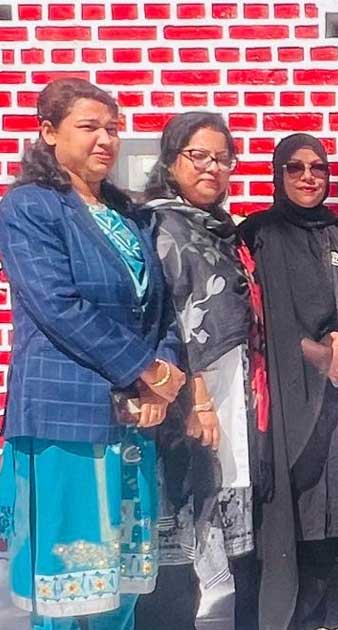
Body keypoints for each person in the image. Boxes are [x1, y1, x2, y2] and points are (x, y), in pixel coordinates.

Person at [0, 78, 185, 629]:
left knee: (120, 584)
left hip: (131, 421)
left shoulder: (129, 214)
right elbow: (58, 306)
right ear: (48, 132)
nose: (106, 139)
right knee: (65, 588)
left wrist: (164, 374)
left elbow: (161, 308)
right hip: (65, 416)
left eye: (113, 128)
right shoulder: (29, 208)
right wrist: (144, 369)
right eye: (89, 127)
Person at [133, 112, 265, 630]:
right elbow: (167, 318)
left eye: (222, 158)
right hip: (184, 394)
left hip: (230, 389)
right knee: (177, 527)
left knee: (215, 520)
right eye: (198, 156)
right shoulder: (160, 225)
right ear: (171, 160)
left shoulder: (218, 228)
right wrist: (198, 400)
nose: (212, 167)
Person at [239, 134, 338, 630]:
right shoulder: (258, 233)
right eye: (295, 167)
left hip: (335, 394)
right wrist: (314, 352)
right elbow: (254, 317)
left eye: (318, 167)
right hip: (283, 398)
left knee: (324, 512)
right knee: (279, 514)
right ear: (278, 174)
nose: (309, 177)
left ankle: (313, 618)